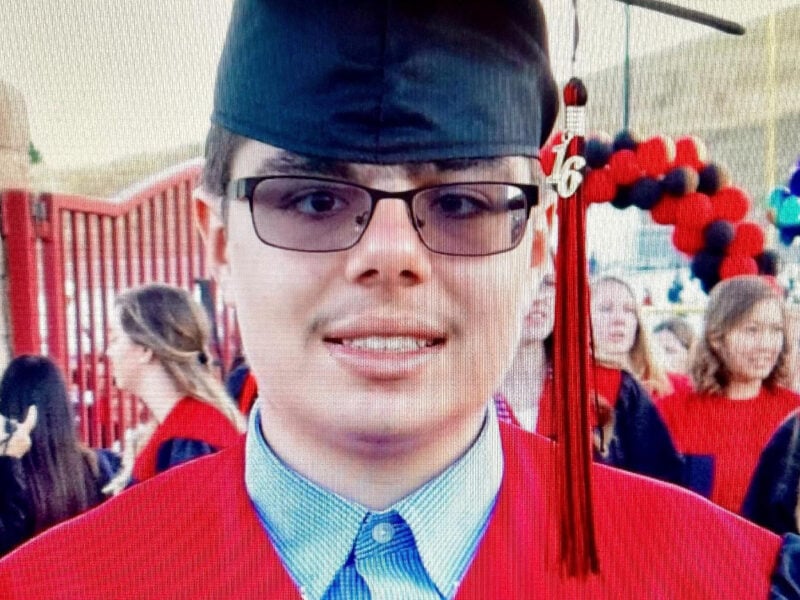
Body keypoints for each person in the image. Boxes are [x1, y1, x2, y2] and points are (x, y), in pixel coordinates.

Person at [0, 1, 796, 598]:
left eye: (462, 202)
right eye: (312, 199)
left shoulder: (726, 581)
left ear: (539, 248)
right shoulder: (55, 587)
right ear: (219, 245)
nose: (390, 256)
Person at [495, 256, 683, 486]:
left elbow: (663, 488)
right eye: (519, 280)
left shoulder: (614, 388)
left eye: (547, 283)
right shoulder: (459, 392)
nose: (537, 295)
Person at [658, 275, 800, 514]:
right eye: (751, 330)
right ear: (716, 337)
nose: (766, 344)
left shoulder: (794, 416)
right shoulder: (670, 412)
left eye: (775, 330)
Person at [102, 283, 245, 492]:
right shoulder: (186, 426)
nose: (108, 352)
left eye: (115, 339)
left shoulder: (192, 436)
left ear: (145, 350)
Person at [0, 355, 118, 556]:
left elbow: (7, 545)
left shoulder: (8, 475)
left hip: (26, 585)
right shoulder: (96, 466)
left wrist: (10, 462)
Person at [590, 275, 676, 399]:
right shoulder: (573, 389)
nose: (619, 319)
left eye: (629, 310)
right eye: (606, 309)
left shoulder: (668, 388)